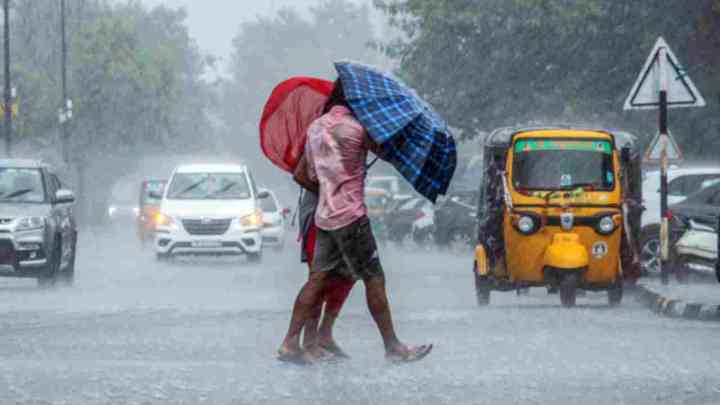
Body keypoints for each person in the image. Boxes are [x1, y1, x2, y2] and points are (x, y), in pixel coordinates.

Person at [277, 79, 432, 364]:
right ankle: (393, 346)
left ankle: (289, 342)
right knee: (374, 278)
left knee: (317, 279)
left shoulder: (315, 128)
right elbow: (389, 152)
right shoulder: (357, 129)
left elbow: (302, 175)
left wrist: (328, 188)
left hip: (324, 217)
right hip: (351, 218)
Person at [297, 189, 355, 359]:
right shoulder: (317, 161)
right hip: (320, 217)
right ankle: (309, 340)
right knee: (320, 278)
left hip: (345, 214)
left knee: (348, 274)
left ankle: (325, 333)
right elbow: (303, 175)